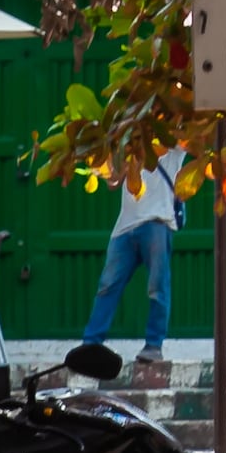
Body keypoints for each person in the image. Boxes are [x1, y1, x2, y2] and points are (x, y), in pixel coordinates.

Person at [83, 156, 199, 383]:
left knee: (157, 286)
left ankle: (153, 345)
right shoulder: (130, 142)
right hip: (125, 225)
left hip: (157, 221)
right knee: (107, 286)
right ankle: (91, 343)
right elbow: (112, 182)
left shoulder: (172, 140)